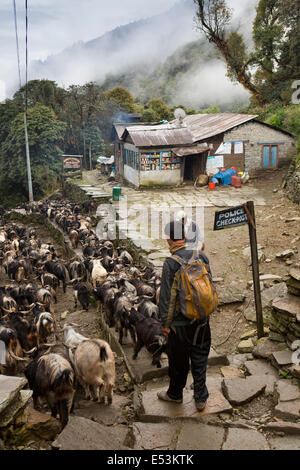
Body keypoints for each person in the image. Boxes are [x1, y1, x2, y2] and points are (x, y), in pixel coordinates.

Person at [157, 220, 211, 411]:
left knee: (178, 361)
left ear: (169, 239)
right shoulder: (201, 256)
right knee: (200, 357)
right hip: (202, 320)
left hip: (180, 323)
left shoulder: (171, 263)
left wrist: (165, 323)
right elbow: (208, 286)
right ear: (185, 237)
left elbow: (166, 297)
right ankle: (201, 397)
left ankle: (175, 394)